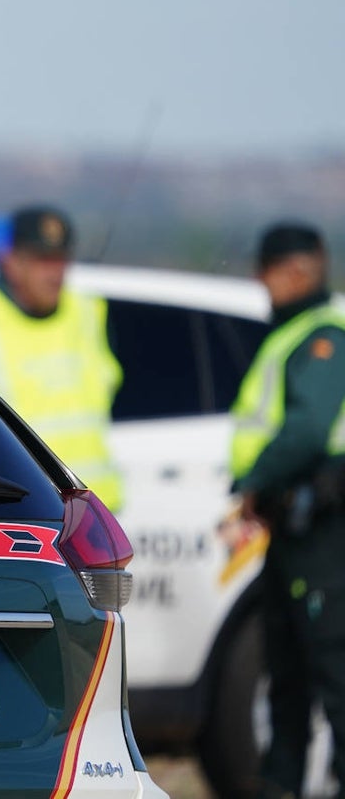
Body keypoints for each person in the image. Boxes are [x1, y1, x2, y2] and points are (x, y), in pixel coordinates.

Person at [230, 222, 345, 799]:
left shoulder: (323, 336)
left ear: (297, 270)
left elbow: (305, 430)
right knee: (288, 679)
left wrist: (253, 481)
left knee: (333, 676)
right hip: (293, 531)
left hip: (325, 532)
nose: (263, 284)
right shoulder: (297, 332)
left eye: (268, 272)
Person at [0, 204, 123, 511]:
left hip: (93, 516)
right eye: (42, 261)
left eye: (61, 260)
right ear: (11, 262)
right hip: (16, 513)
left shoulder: (89, 314)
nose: (55, 273)